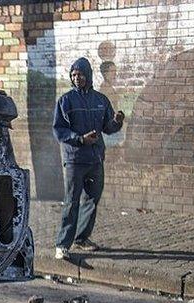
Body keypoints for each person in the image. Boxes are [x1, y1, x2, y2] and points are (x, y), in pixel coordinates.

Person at [52, 58, 125, 259]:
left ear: (88, 76)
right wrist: (79, 139)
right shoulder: (65, 101)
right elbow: (59, 130)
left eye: (81, 74)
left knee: (92, 199)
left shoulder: (101, 100)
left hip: (95, 159)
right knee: (71, 201)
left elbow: (108, 129)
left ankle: (82, 238)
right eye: (74, 75)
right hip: (74, 160)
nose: (77, 78)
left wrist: (117, 122)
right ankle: (62, 244)